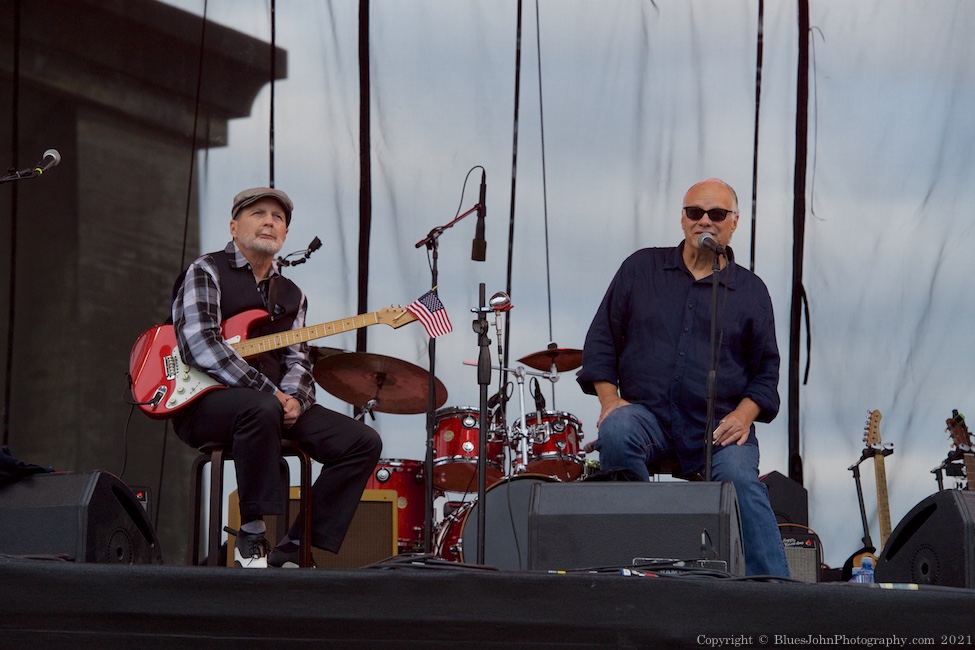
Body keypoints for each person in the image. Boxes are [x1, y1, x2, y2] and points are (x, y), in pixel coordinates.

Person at [577, 178, 790, 578]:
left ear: (734, 222)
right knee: (618, 430)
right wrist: (609, 401)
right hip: (649, 417)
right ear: (682, 218)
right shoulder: (640, 268)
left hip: (718, 425)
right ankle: (634, 563)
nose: (704, 221)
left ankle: (774, 588)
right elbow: (601, 340)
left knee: (742, 481)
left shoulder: (750, 290)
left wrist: (745, 415)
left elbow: (766, 370)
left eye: (717, 214)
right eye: (695, 212)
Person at [172, 187, 382, 568]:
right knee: (261, 406)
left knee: (362, 441)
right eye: (259, 214)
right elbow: (200, 344)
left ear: (284, 235)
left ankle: (296, 545)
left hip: (272, 404)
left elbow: (298, 360)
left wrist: (295, 400)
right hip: (202, 402)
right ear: (234, 227)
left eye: (278, 217)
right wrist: (271, 393)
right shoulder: (207, 270)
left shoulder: (292, 294)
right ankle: (251, 531)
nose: (270, 221)